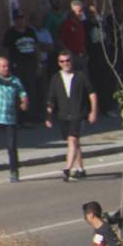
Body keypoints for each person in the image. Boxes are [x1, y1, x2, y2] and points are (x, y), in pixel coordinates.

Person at [45, 50, 98, 182]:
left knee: (72, 140)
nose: (66, 63)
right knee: (75, 142)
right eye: (62, 61)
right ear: (59, 63)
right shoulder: (56, 78)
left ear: (72, 61)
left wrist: (93, 111)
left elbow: (92, 93)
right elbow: (51, 100)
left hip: (78, 113)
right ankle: (80, 169)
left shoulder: (80, 76)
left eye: (68, 60)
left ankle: (67, 169)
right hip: (63, 115)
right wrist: (48, 116)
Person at [3, 11, 40, 125]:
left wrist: (38, 63)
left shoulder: (30, 31)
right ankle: (20, 118)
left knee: (31, 89)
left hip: (30, 64)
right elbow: (6, 49)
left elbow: (36, 47)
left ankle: (31, 116)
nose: (21, 21)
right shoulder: (11, 33)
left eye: (23, 19)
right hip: (18, 65)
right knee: (20, 90)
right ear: (15, 21)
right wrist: (7, 65)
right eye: (18, 19)